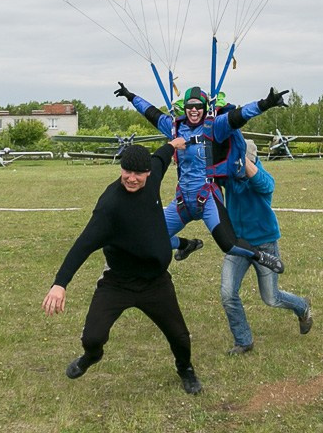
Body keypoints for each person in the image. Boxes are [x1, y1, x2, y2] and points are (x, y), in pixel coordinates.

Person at [42, 139, 203, 395]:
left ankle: (185, 369)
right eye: (127, 171)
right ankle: (91, 357)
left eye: (138, 173)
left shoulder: (153, 175)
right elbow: (82, 245)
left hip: (155, 282)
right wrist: (60, 284)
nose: (131, 178)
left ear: (148, 173)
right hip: (118, 283)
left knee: (180, 338)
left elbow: (161, 155)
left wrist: (174, 143)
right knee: (92, 338)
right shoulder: (109, 207)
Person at [115, 82, 288, 274]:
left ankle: (261, 256)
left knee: (228, 245)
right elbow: (152, 113)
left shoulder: (215, 126)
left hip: (207, 198)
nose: (194, 110)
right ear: (185, 108)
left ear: (205, 108)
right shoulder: (174, 128)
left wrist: (265, 104)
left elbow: (239, 115)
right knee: (149, 236)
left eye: (199, 106)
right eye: (190, 106)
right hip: (183, 200)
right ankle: (186, 244)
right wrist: (131, 97)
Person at [220, 139, 313, 354]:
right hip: (239, 245)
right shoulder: (230, 176)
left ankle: (302, 307)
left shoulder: (261, 177)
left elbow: (266, 184)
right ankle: (243, 340)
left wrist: (244, 161)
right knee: (227, 294)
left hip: (265, 244)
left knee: (271, 298)